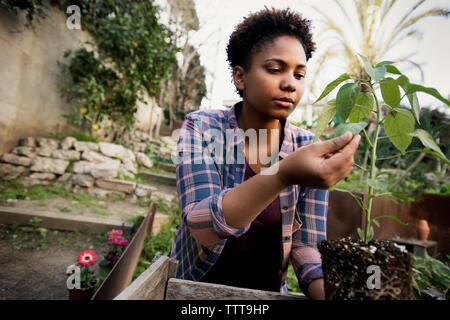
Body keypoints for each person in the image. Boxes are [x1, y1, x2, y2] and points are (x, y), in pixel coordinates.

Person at [169, 7, 361, 300]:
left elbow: (307, 246)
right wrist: (282, 174)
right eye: (274, 69)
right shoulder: (203, 128)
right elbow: (201, 226)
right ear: (240, 77)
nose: (290, 84)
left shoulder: (305, 146)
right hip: (194, 291)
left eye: (299, 74)